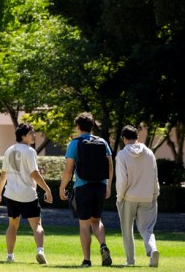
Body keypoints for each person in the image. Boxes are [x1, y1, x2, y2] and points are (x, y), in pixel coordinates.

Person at [0, 122, 54, 264]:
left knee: (12, 226)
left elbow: (3, 175)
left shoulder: (9, 150)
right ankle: (40, 250)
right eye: (30, 133)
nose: (33, 135)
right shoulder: (30, 151)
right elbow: (35, 174)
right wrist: (47, 189)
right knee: (37, 225)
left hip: (11, 195)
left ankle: (9, 256)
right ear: (22, 135)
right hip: (27, 195)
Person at [59, 112, 114, 267]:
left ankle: (87, 260)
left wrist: (62, 187)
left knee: (84, 225)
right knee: (97, 221)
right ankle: (103, 245)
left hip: (83, 187)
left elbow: (68, 170)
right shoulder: (102, 142)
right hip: (100, 186)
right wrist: (108, 186)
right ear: (92, 126)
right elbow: (110, 165)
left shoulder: (74, 144)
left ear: (78, 126)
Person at [115, 125, 160, 267]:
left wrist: (119, 197)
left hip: (128, 197)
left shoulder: (122, 154)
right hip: (147, 196)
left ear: (124, 139)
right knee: (146, 229)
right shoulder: (149, 153)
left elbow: (122, 180)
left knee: (127, 230)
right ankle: (152, 250)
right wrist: (154, 194)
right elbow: (155, 176)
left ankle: (130, 260)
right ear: (137, 138)